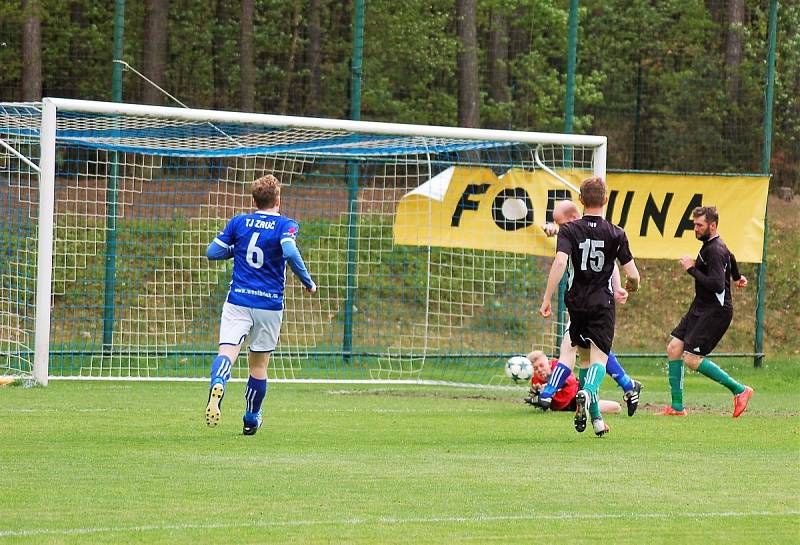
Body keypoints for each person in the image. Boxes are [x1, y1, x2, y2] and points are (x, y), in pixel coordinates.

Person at [204, 174, 317, 435]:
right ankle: (250, 418)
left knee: (227, 353)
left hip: (239, 301)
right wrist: (307, 281)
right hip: (269, 304)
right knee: (258, 366)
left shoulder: (239, 222)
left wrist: (238, 249)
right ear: (278, 200)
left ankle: (219, 381)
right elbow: (289, 251)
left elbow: (213, 252)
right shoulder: (286, 225)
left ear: (253, 200)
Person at [539, 177, 640, 436]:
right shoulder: (616, 233)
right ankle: (589, 391)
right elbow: (633, 275)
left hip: (576, 303)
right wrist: (631, 287)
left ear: (581, 200)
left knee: (584, 359)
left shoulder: (570, 231)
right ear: (606, 200)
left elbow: (560, 264)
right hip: (602, 303)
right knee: (599, 358)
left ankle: (595, 420)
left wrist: (547, 298)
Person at [663, 206, 752, 417]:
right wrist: (738, 276)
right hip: (701, 306)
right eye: (694, 225)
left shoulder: (714, 249)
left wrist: (690, 269)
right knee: (674, 348)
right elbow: (730, 257)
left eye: (699, 225)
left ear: (713, 225)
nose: (695, 229)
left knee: (691, 359)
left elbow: (717, 285)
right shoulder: (713, 245)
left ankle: (740, 390)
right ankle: (677, 407)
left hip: (715, 311)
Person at [524, 350, 621, 414]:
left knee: (616, 408)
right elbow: (545, 405)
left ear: (549, 363)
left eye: (541, 365)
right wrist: (537, 399)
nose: (540, 370)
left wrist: (549, 385)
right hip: (563, 408)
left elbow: (570, 380)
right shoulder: (535, 381)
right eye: (535, 368)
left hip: (577, 398)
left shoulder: (559, 367)